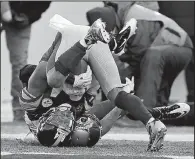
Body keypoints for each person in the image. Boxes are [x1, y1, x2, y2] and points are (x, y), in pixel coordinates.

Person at [19, 16, 190, 149]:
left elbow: (39, 70)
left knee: (55, 80)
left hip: (68, 36)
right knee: (116, 100)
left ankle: (100, 42)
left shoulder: (33, 105)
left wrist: (71, 79)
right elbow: (100, 127)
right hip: (90, 46)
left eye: (57, 118)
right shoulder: (73, 129)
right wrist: (120, 99)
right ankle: (153, 118)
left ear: (44, 119)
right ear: (68, 129)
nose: (63, 115)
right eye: (66, 121)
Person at [86, 3, 193, 111]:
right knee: (153, 76)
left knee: (151, 58)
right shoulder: (121, 15)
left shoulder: (134, 22)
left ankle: (143, 112)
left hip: (180, 47)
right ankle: (157, 113)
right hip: (165, 47)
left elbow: (139, 54)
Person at [1, 1, 51, 121]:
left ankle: (19, 110)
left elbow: (43, 4)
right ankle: (19, 110)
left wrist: (29, 16)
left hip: (20, 18)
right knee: (19, 63)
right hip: (12, 12)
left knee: (19, 64)